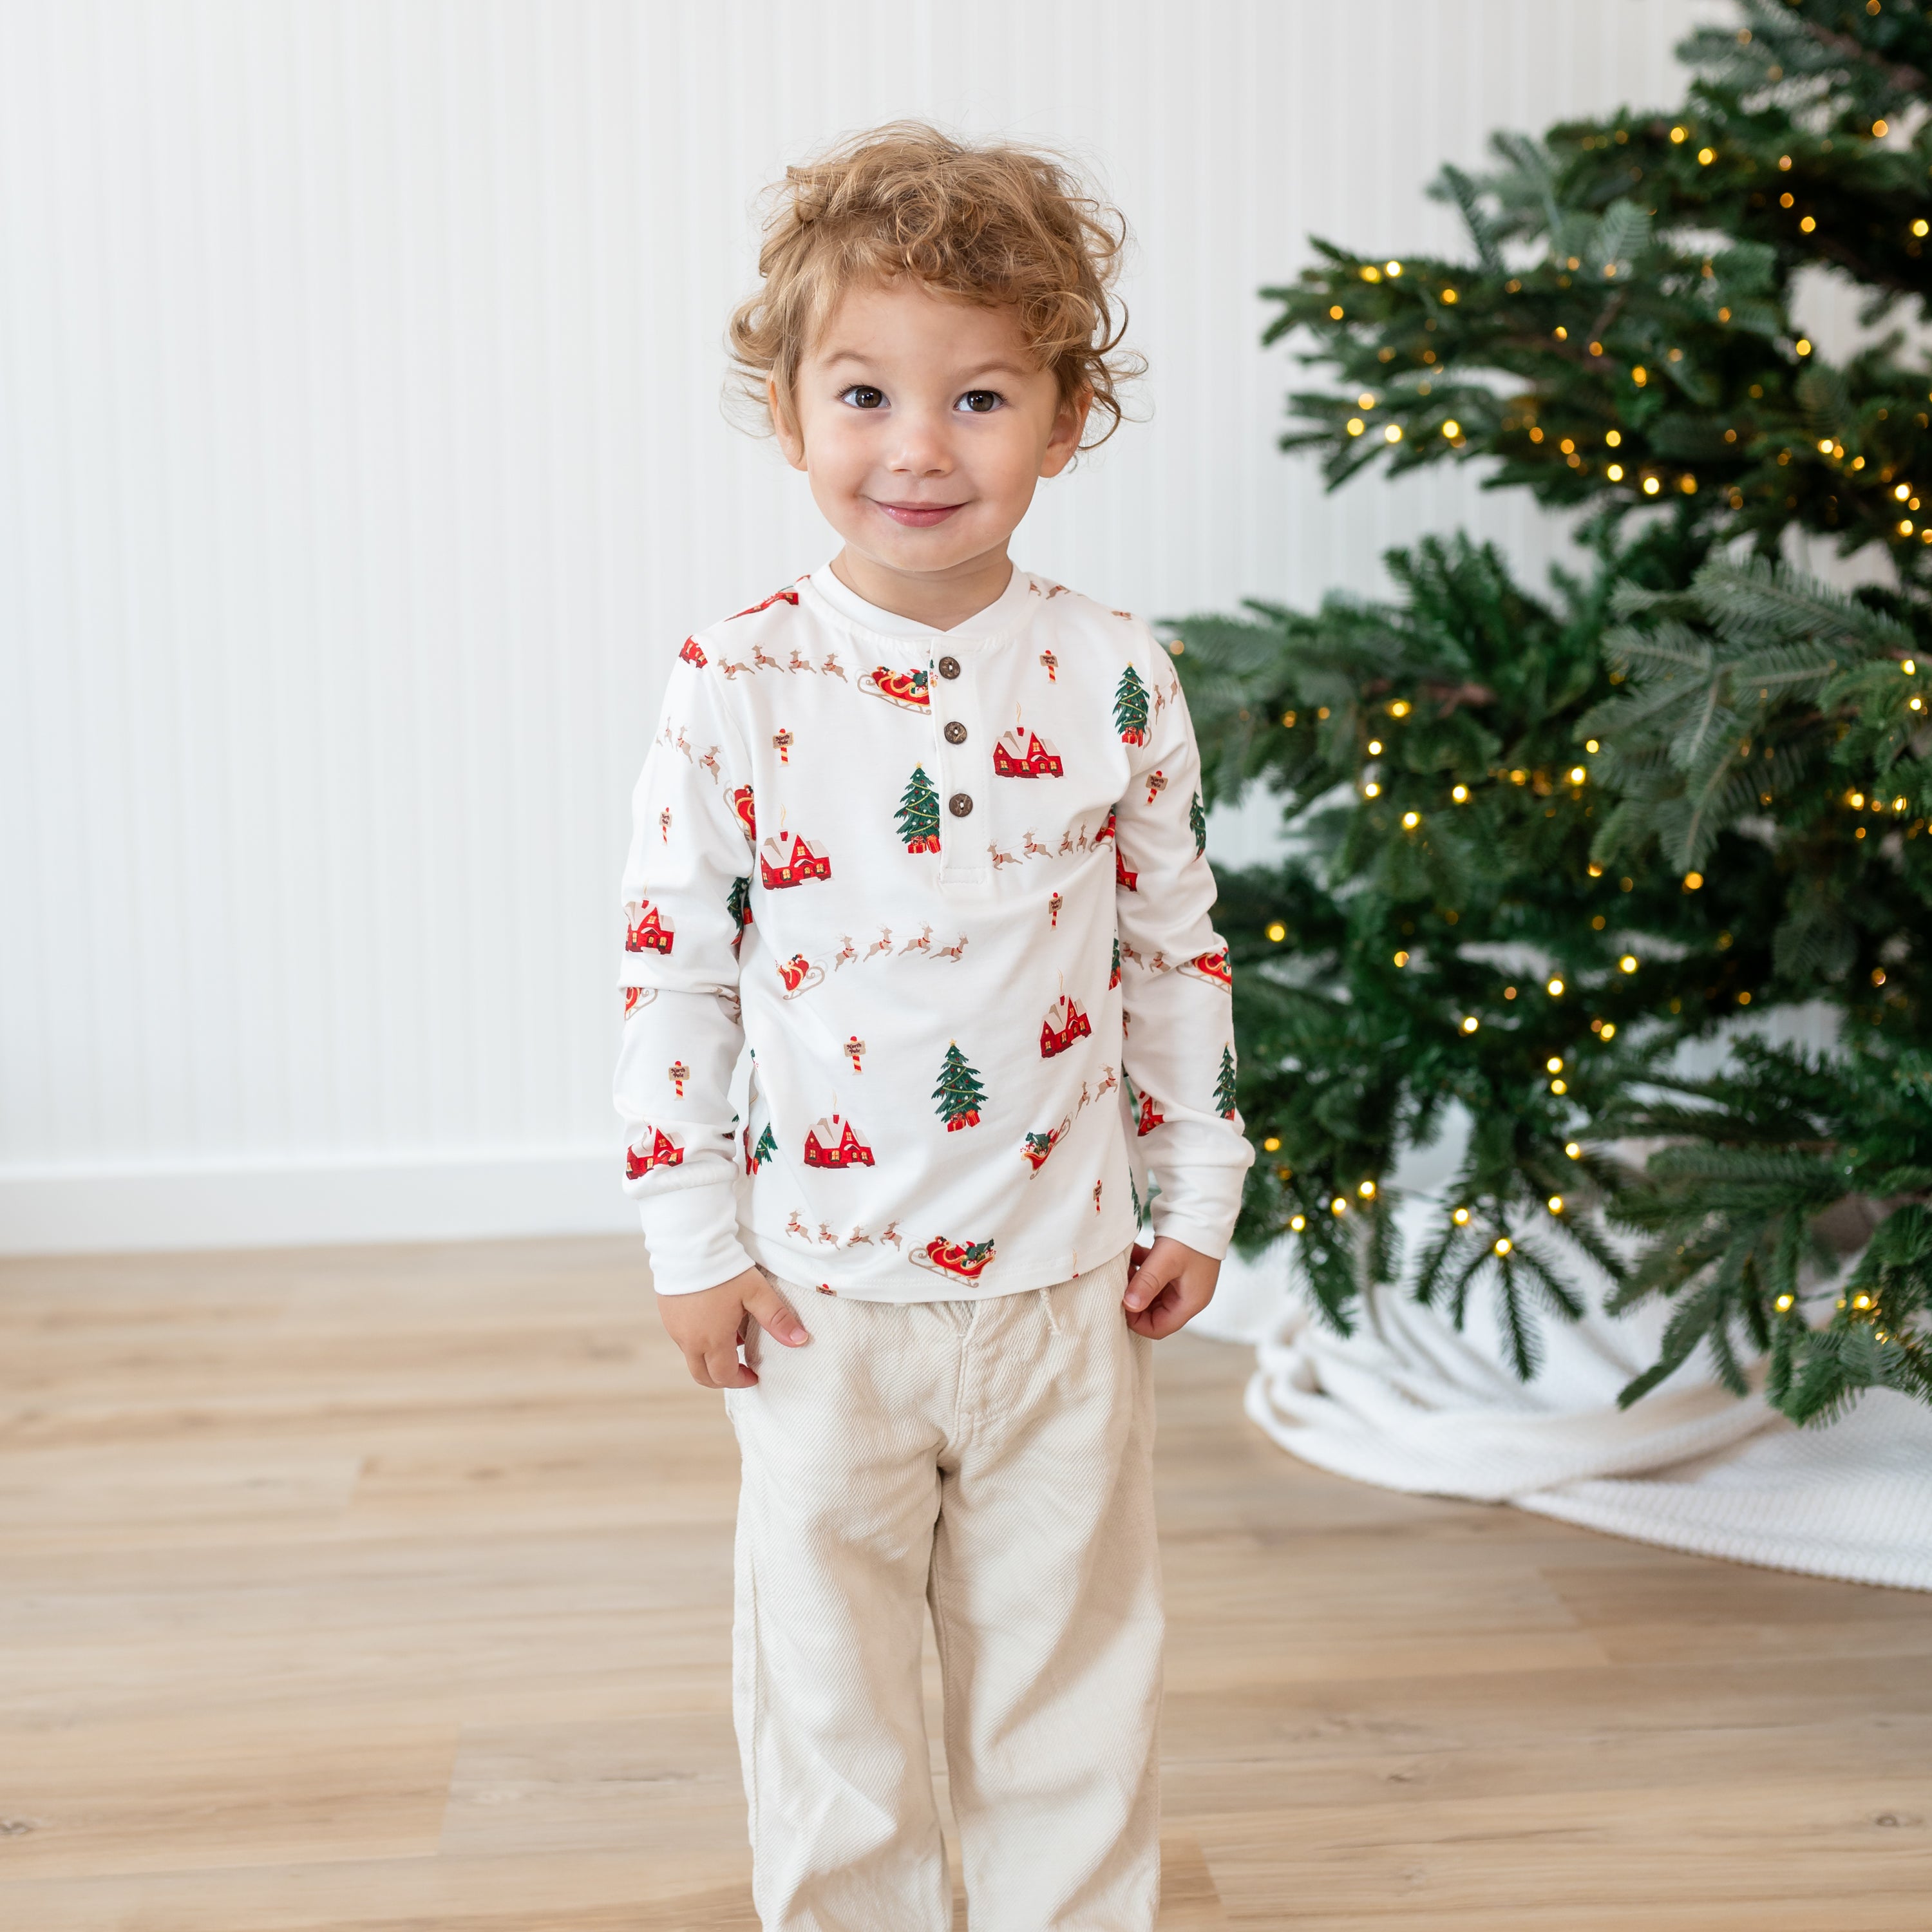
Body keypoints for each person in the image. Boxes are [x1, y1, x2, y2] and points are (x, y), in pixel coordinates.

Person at [614, 122, 1255, 1932]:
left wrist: (1195, 1191)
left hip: (1063, 1285)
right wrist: (692, 1234)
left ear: (1064, 422)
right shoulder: (737, 680)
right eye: (867, 393)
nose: (918, 448)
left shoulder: (1117, 672)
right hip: (821, 1300)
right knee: (831, 1692)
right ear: (790, 409)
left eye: (980, 399)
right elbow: (675, 967)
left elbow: (1170, 950)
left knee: (1070, 1676)